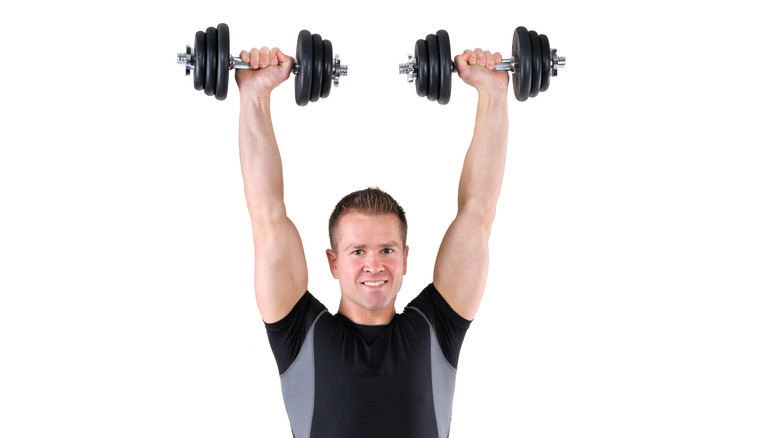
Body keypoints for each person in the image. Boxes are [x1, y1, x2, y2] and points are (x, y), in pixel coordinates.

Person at [235, 42, 509, 438]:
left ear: (405, 257)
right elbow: (267, 216)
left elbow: (478, 212)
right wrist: (255, 95)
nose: (374, 265)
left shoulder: (437, 328)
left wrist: (494, 93)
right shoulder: (300, 335)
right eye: (357, 251)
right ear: (332, 261)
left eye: (386, 250)